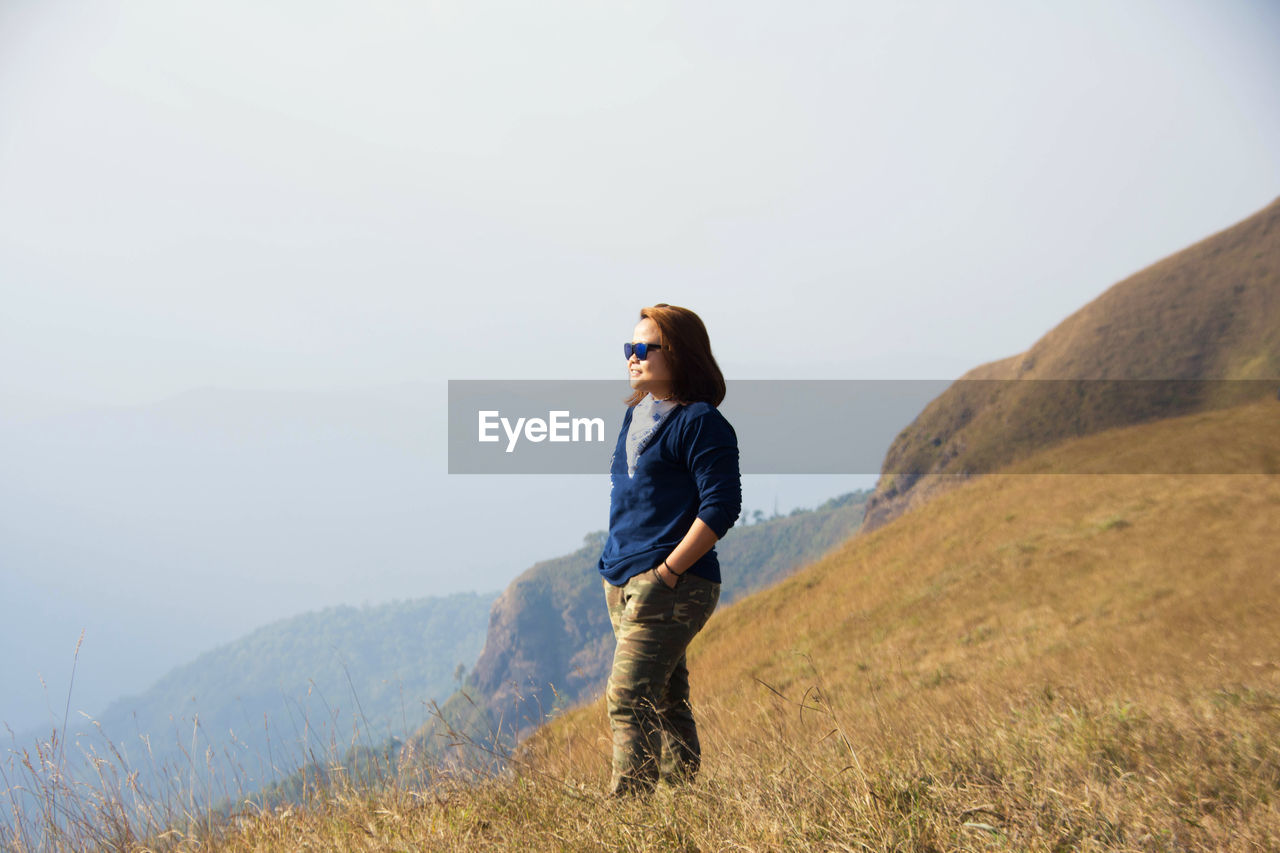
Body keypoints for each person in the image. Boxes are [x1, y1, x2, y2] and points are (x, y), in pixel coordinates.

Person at [596, 303, 741, 796]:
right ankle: (686, 806)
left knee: (627, 697)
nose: (633, 358)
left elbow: (721, 508)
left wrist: (667, 575)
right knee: (663, 699)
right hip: (622, 580)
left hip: (672, 583)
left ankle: (628, 824)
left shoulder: (701, 422)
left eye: (645, 348)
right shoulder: (636, 416)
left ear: (677, 353)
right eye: (629, 349)